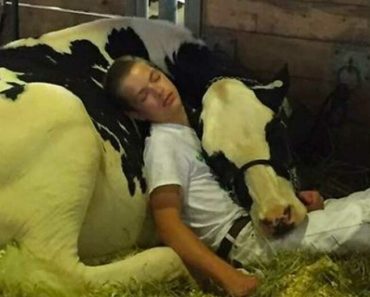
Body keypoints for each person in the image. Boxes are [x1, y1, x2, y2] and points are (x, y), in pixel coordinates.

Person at [104, 56, 369, 296]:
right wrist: (228, 277)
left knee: (360, 202)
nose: (159, 91)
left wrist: (297, 201)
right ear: (136, 113)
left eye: (155, 78)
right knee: (363, 220)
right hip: (246, 245)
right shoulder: (164, 147)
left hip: (260, 224)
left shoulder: (197, 127)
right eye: (143, 96)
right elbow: (168, 224)